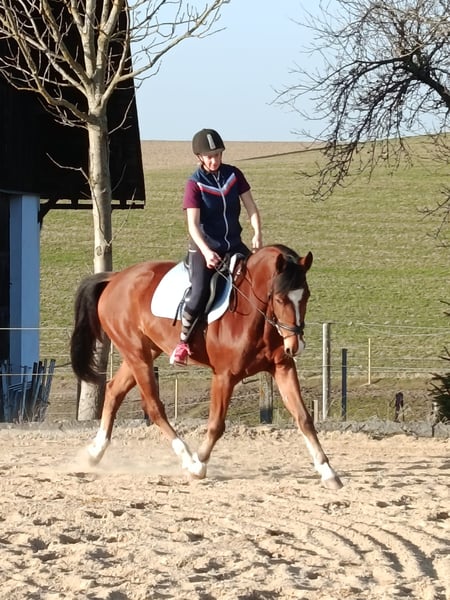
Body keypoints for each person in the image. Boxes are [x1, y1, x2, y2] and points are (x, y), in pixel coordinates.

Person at [170, 128, 263, 366]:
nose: (215, 160)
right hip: (204, 248)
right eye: (210, 156)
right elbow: (192, 225)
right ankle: (183, 342)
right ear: (200, 157)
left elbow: (251, 207)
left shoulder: (234, 175)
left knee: (257, 280)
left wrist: (257, 233)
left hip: (233, 245)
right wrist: (206, 251)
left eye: (218, 155)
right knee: (200, 291)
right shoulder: (194, 184)